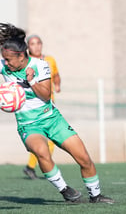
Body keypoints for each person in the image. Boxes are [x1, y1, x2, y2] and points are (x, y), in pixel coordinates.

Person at [0, 23, 114, 203]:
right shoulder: (4, 66)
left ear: (21, 56)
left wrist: (31, 81)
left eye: (8, 60)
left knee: (84, 158)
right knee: (41, 151)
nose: (6, 63)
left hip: (52, 119)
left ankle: (95, 195)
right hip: (28, 124)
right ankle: (65, 190)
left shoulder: (40, 66)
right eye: (4, 59)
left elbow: (46, 95)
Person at [23, 34, 61, 179]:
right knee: (45, 140)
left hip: (49, 104)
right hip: (33, 108)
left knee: (48, 140)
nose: (36, 46)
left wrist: (57, 84)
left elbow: (56, 74)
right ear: (28, 47)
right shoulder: (26, 63)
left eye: (38, 43)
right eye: (32, 44)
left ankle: (32, 167)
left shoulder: (50, 60)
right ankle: (45, 167)